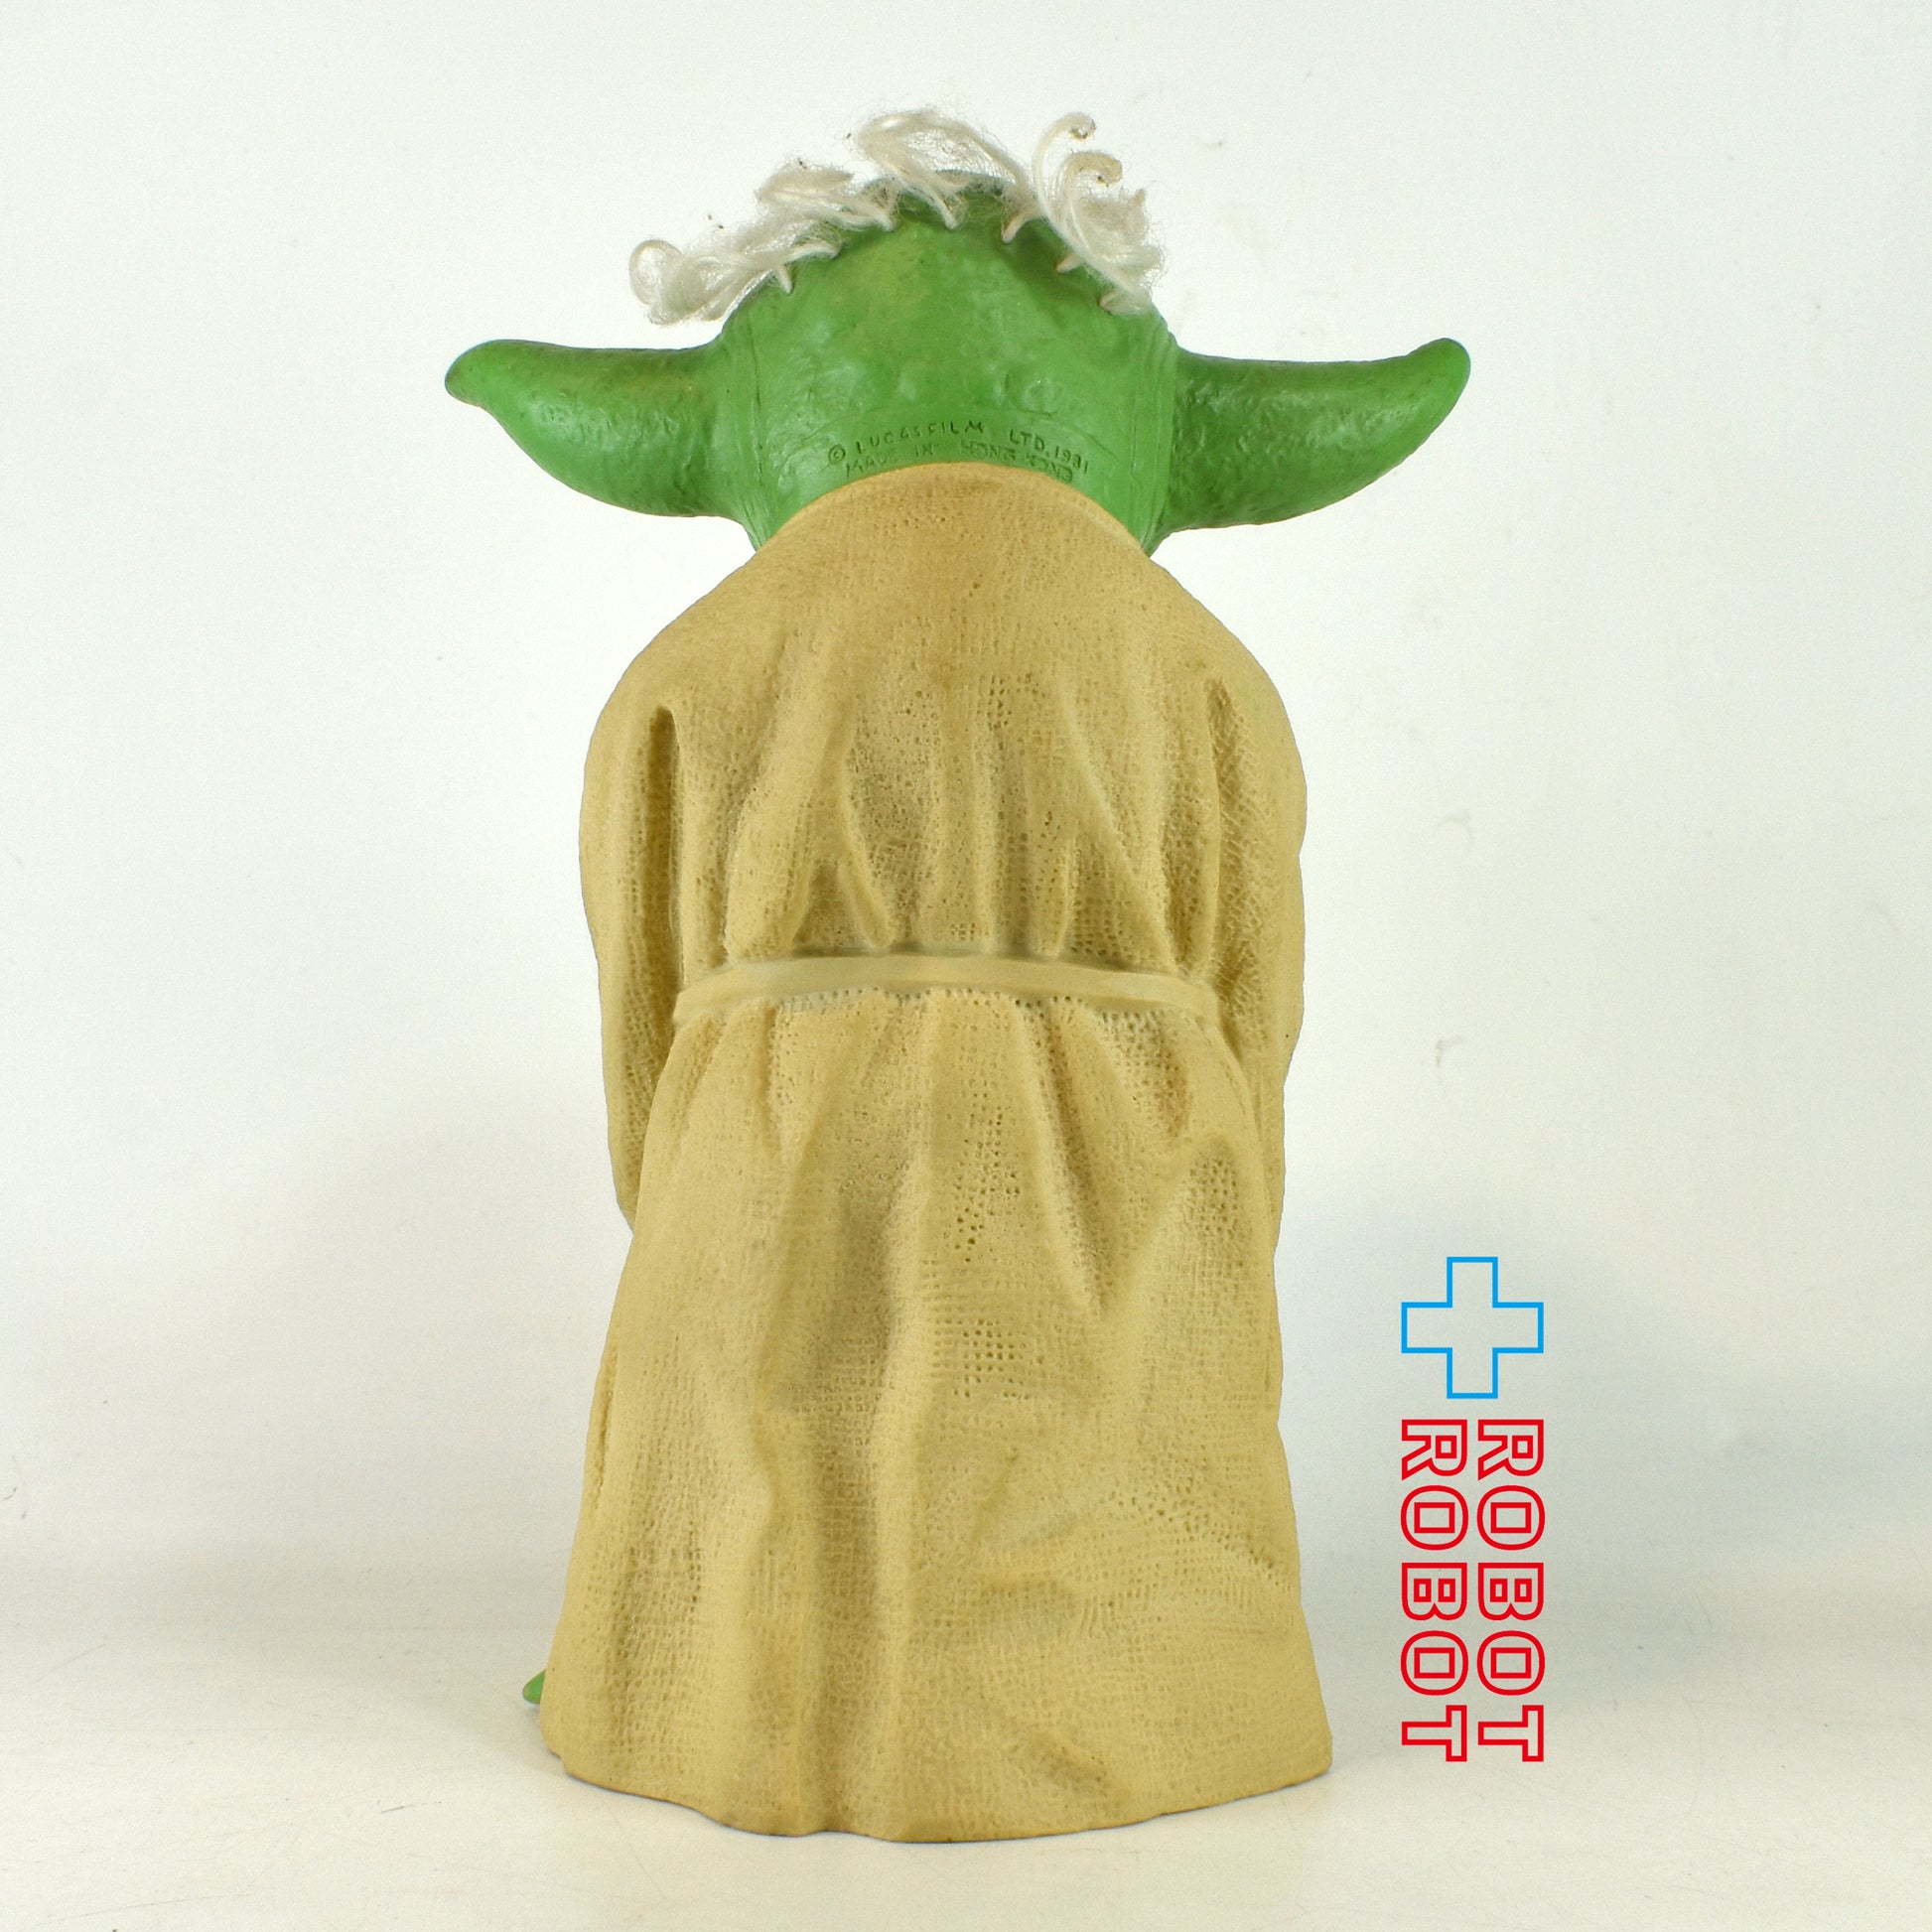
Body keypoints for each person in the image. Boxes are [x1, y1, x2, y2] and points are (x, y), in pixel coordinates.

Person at [447, 109, 1467, 1840]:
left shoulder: (689, 670)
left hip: (764, 1162)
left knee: (759, 1449)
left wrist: (682, 1185)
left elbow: (642, 1019)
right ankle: (1154, 1698)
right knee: (1109, 1454)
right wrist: (1216, 1216)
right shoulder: (1203, 674)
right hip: (1121, 1170)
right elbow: (1252, 1011)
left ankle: (690, 1666)